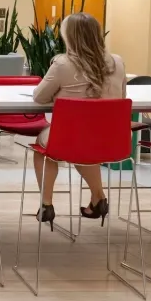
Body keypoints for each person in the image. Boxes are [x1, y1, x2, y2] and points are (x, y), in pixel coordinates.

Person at [32, 12, 126, 228]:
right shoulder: (117, 62)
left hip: (74, 136)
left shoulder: (63, 64)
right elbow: (121, 98)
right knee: (84, 147)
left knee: (46, 147)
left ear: (70, 37)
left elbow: (39, 97)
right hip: (110, 137)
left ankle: (46, 204)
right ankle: (98, 199)